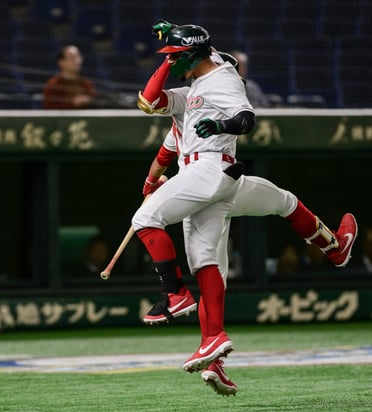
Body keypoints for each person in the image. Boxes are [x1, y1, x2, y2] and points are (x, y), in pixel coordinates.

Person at [134, 21, 358, 396]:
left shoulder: (222, 79)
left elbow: (246, 119)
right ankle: (334, 248)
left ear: (194, 56)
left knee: (145, 219)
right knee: (218, 253)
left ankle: (175, 295)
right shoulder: (190, 92)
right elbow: (149, 103)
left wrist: (221, 122)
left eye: (175, 58)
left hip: (211, 168)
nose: (170, 64)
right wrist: (150, 181)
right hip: (209, 180)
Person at [43, 45, 98, 109]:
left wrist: (89, 101)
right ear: (61, 62)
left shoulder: (87, 84)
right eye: (72, 58)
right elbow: (49, 109)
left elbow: (95, 104)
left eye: (78, 57)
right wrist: (72, 103)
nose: (77, 61)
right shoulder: (53, 85)